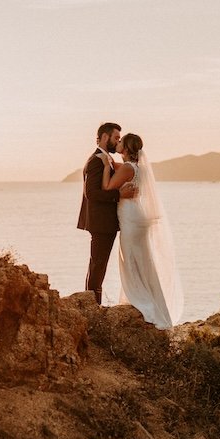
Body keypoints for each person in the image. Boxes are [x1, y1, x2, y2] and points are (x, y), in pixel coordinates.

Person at [97, 133, 183, 328]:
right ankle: (147, 297)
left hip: (130, 218)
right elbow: (118, 169)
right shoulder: (138, 168)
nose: (117, 143)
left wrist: (104, 166)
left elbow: (107, 186)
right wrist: (111, 162)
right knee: (142, 260)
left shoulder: (128, 168)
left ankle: (141, 300)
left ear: (126, 149)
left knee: (130, 258)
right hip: (136, 216)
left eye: (120, 142)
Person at [76, 122, 136, 304]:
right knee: (98, 264)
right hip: (100, 222)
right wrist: (119, 194)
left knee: (98, 264)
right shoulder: (96, 160)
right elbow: (91, 193)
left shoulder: (106, 159)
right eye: (116, 137)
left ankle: (92, 302)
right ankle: (93, 304)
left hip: (105, 221)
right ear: (104, 137)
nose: (117, 141)